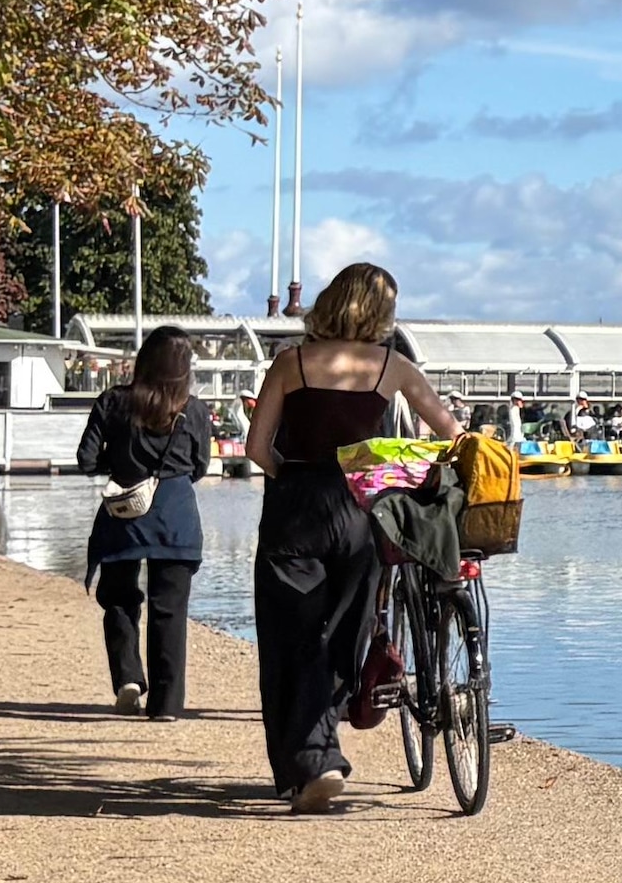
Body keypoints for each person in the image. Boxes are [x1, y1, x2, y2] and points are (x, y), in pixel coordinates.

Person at [245, 262, 457, 814]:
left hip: (295, 509)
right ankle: (318, 755)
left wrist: (292, 476)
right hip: (362, 511)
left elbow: (256, 448)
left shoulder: (290, 363)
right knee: (341, 638)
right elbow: (450, 436)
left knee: (288, 639)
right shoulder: (393, 366)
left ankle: (312, 763)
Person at [77, 329, 219, 717]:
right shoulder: (195, 410)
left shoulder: (114, 402)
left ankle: (127, 676)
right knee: (169, 610)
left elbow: (86, 460)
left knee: (119, 600)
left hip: (122, 516)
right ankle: (166, 703)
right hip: (175, 517)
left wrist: (121, 467)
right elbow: (200, 466)